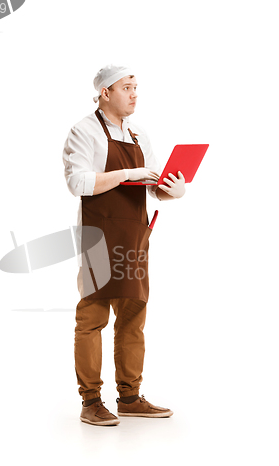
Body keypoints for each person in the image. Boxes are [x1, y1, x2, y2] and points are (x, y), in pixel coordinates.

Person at [63, 64, 185, 426]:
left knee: (133, 318)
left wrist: (171, 190)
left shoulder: (137, 135)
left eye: (136, 87)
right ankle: (91, 401)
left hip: (134, 235)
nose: (134, 93)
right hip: (98, 237)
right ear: (105, 93)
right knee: (93, 316)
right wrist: (128, 173)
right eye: (127, 87)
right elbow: (78, 182)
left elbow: (150, 185)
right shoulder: (84, 130)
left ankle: (129, 397)